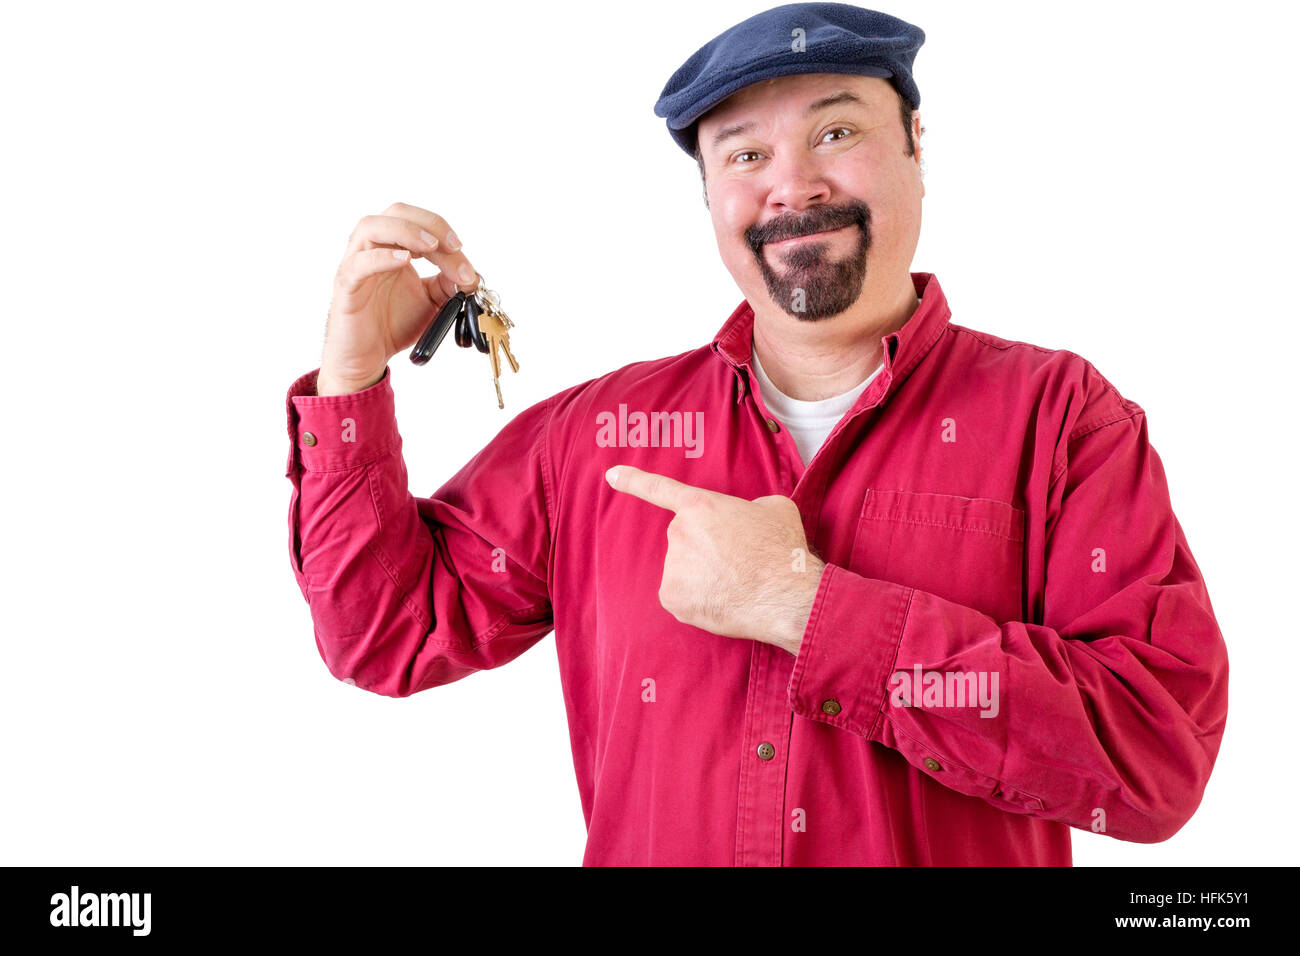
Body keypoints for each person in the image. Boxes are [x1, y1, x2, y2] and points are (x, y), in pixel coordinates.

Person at [283, 3, 1228, 865]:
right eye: (743, 156)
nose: (794, 185)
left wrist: (806, 609)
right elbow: (382, 631)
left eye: (838, 130)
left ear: (916, 149)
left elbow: (1156, 756)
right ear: (711, 200)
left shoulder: (1061, 419)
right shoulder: (593, 440)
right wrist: (352, 376)